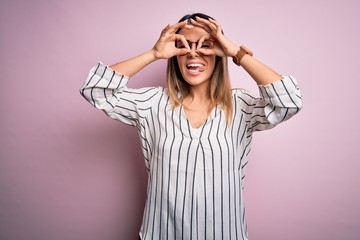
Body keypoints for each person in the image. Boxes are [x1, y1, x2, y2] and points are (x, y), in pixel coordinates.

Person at [80, 12, 303, 240]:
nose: (193, 53)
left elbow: (289, 102)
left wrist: (236, 53)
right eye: (183, 46)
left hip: (225, 234)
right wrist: (154, 54)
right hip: (160, 234)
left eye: (205, 45)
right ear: (175, 55)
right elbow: (95, 89)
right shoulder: (152, 104)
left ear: (218, 53)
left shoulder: (240, 106)